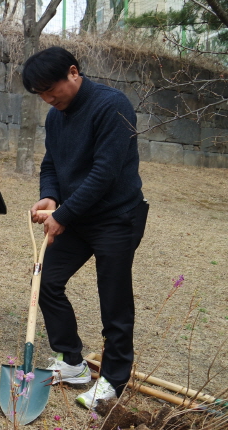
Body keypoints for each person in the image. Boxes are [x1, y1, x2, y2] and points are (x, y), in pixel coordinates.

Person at [23, 47, 149, 409]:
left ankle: (113, 378)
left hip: (116, 216)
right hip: (76, 216)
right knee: (45, 280)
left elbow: (104, 174)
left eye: (51, 89)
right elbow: (51, 164)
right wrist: (49, 197)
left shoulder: (112, 106)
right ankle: (73, 362)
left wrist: (62, 216)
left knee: (114, 298)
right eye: (41, 94)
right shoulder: (56, 116)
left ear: (73, 72)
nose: (48, 98)